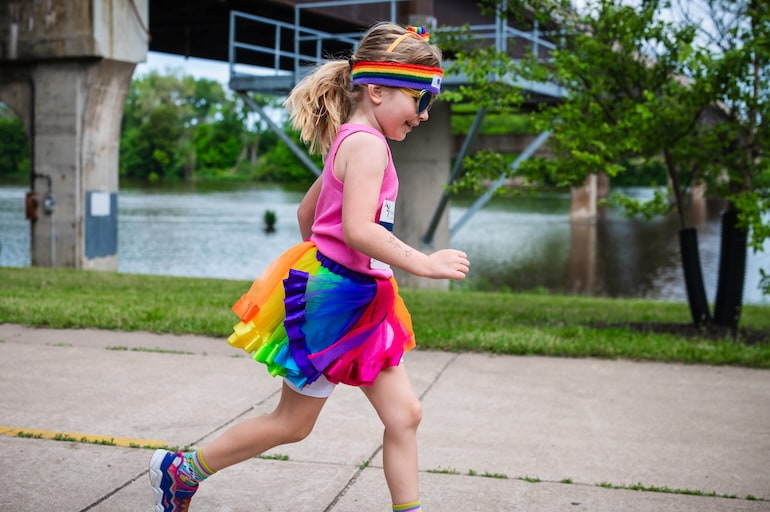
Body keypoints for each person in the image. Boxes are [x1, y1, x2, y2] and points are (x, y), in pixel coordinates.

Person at [149, 22, 470, 512]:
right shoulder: (366, 145)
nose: (424, 115)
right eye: (420, 99)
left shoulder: (352, 137)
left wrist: (329, 268)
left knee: (399, 415)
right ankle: (181, 471)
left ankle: (409, 510)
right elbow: (360, 229)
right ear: (378, 90)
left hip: (356, 298)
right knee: (296, 424)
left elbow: (307, 215)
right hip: (340, 304)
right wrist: (421, 263)